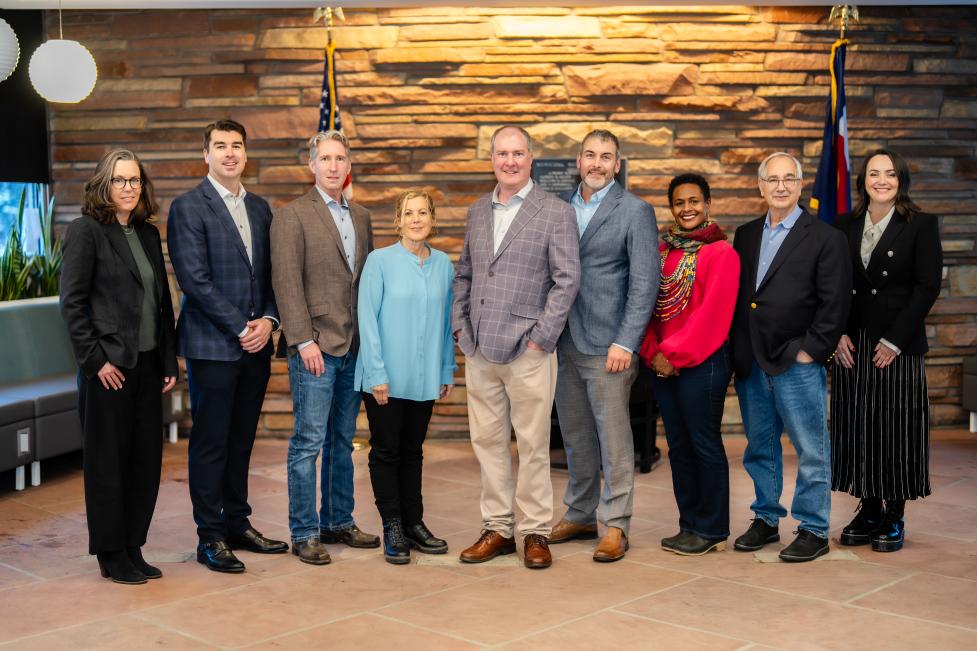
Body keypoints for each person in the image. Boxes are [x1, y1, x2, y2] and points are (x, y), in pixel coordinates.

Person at [452, 125, 581, 569]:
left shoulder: (555, 211)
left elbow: (567, 280)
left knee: (532, 443)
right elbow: (465, 274)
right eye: (502, 153)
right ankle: (498, 528)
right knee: (487, 441)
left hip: (529, 350)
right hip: (480, 348)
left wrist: (541, 338)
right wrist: (461, 332)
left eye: (518, 153)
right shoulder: (476, 212)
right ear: (492, 159)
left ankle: (535, 532)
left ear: (531, 159)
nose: (510, 161)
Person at [168, 119, 288, 573]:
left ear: (245, 152)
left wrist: (270, 321)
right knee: (211, 443)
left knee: (241, 442)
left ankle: (238, 524)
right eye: (220, 146)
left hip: (256, 346)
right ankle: (210, 537)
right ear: (206, 154)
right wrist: (242, 326)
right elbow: (194, 281)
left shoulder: (260, 207)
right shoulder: (188, 206)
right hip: (213, 346)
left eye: (237, 145)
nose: (230, 153)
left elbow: (273, 274)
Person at [60, 149, 178, 584]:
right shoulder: (86, 232)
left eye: (135, 181)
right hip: (109, 370)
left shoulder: (147, 234)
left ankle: (133, 546)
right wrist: (95, 362)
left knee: (144, 462)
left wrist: (168, 359)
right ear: (103, 185)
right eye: (120, 180)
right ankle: (110, 554)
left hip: (147, 366)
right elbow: (72, 305)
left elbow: (162, 304)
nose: (129, 188)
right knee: (108, 465)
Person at [730, 152, 852, 562]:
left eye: (789, 179)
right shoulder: (745, 235)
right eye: (772, 179)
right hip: (752, 360)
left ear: (800, 186)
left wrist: (810, 352)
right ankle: (766, 518)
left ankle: (813, 528)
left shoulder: (825, 237)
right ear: (760, 186)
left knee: (811, 447)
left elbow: (835, 304)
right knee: (759, 446)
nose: (780, 186)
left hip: (796, 361)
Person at [549, 129, 658, 562]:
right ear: (579, 161)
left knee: (614, 440)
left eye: (606, 157)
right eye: (589, 155)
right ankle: (579, 513)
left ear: (617, 164)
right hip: (564, 340)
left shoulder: (635, 211)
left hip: (609, 345)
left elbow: (644, 283)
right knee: (575, 436)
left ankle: (616, 524)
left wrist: (626, 342)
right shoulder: (557, 210)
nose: (596, 163)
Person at [271, 130, 379, 565]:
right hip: (314, 346)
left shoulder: (363, 217)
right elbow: (286, 281)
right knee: (308, 442)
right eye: (325, 159)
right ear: (311, 165)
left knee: (343, 439)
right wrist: (300, 339)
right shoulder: (292, 216)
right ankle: (304, 531)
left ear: (347, 165)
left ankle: (338, 520)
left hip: (353, 346)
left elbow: (365, 283)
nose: (333, 166)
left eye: (340, 159)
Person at [831, 148, 943, 553]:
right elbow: (835, 284)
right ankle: (868, 508)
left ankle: (894, 513)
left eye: (890, 173)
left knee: (895, 430)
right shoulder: (844, 225)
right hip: (854, 344)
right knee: (857, 426)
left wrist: (895, 340)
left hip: (897, 344)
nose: (882, 180)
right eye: (874, 173)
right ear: (862, 179)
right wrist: (837, 333)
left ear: (902, 180)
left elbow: (927, 286)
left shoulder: (920, 225)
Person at [639, 174, 739, 556]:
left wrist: (673, 355)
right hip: (663, 364)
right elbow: (649, 306)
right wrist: (652, 352)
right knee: (678, 447)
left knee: (704, 444)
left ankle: (712, 528)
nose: (687, 209)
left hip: (704, 363)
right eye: (679, 202)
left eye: (694, 201)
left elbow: (714, 316)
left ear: (708, 203)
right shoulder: (662, 252)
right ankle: (689, 525)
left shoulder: (721, 254)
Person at [355, 190, 456, 564]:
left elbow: (447, 324)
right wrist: (377, 373)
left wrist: (446, 368)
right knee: (386, 450)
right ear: (398, 220)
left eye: (423, 213)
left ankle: (415, 523)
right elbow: (368, 318)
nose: (416, 219)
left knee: (413, 451)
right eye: (409, 213)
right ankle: (392, 524)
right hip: (386, 377)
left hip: (425, 375)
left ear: (432, 219)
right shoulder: (379, 261)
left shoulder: (444, 264)